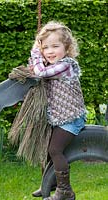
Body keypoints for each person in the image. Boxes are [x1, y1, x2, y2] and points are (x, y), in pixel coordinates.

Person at [29, 21, 86, 200]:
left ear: (67, 47)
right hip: (61, 118)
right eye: (45, 47)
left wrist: (36, 53)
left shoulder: (66, 65)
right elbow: (36, 70)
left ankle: (65, 191)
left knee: (55, 149)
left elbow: (40, 73)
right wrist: (38, 57)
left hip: (71, 119)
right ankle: (51, 182)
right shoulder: (52, 66)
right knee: (48, 148)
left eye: (55, 46)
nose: (50, 51)